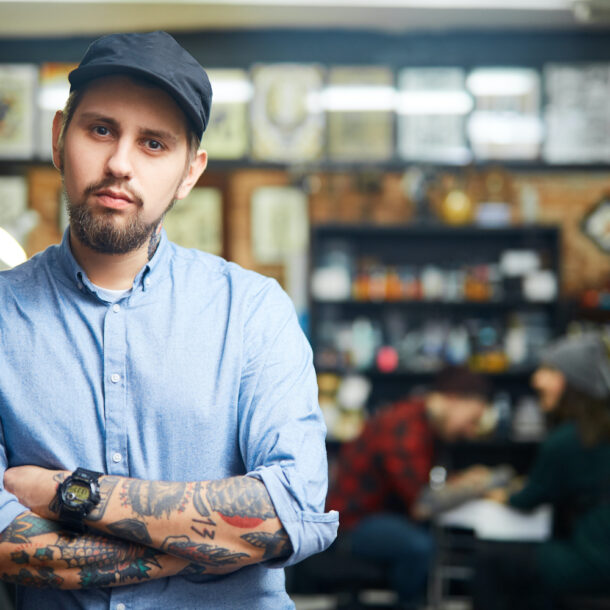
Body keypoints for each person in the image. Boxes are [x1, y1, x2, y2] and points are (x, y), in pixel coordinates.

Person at [0, 31, 337, 609]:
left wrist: (65, 493)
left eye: (154, 144)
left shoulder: (254, 311)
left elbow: (288, 511)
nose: (119, 163)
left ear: (190, 171)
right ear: (60, 137)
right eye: (100, 129)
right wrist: (202, 546)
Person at [325, 366, 492, 605]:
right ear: (454, 400)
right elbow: (420, 504)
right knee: (420, 546)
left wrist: (460, 482)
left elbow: (418, 484)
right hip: (351, 524)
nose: (470, 431)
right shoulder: (405, 426)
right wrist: (476, 486)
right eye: (472, 420)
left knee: (426, 538)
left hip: (376, 515)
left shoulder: (419, 422)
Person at [475, 332, 610, 609]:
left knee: (489, 558)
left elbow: (526, 499)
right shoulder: (596, 432)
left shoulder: (567, 440)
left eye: (549, 370)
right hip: (598, 552)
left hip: (595, 560)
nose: (537, 380)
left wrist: (491, 492)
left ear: (572, 382)